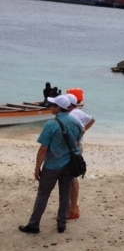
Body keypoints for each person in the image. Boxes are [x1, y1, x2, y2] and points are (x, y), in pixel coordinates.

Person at [19, 94, 83, 234]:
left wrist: (37, 168)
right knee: (65, 192)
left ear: (58, 108)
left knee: (43, 194)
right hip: (69, 164)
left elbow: (43, 149)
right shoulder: (76, 122)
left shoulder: (51, 125)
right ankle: (61, 223)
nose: (50, 107)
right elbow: (79, 139)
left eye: (52, 105)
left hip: (53, 165)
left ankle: (34, 224)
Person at [66, 93, 95, 219]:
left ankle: (73, 209)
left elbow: (77, 129)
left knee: (70, 178)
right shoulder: (79, 112)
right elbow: (92, 120)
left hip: (73, 148)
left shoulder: (71, 115)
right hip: (78, 147)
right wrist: (83, 133)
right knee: (72, 177)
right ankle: (73, 207)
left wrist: (77, 138)